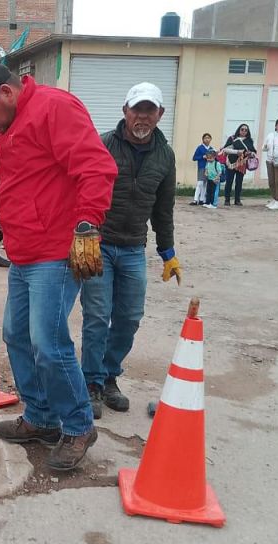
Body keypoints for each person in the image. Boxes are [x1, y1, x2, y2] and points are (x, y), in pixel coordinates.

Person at [0, 61, 116, 471]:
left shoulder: (54, 109)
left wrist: (88, 223)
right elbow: (24, 177)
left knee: (48, 342)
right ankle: (42, 417)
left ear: (6, 94)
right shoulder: (7, 129)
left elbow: (96, 167)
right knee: (16, 335)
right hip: (23, 252)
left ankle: (79, 424)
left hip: (55, 251)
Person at [80, 82, 182, 418]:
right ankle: (91, 383)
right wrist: (81, 231)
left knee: (129, 318)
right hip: (100, 243)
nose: (142, 116)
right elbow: (82, 187)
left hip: (134, 249)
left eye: (149, 110)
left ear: (160, 115)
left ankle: (109, 376)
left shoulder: (165, 156)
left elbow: (163, 208)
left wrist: (167, 252)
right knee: (97, 315)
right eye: (137, 109)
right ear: (125, 111)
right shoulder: (104, 145)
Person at [222, 123, 256, 206]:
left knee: (239, 182)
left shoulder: (249, 140)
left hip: (242, 163)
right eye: (242, 129)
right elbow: (225, 149)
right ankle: (227, 199)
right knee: (229, 181)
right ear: (239, 130)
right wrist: (237, 152)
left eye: (246, 130)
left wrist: (250, 153)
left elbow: (254, 152)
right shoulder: (232, 138)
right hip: (231, 163)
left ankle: (237, 200)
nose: (244, 131)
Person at [191, 133, 213, 205]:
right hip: (202, 167)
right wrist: (202, 157)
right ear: (203, 139)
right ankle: (195, 199)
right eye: (205, 138)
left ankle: (202, 199)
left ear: (210, 139)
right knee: (200, 183)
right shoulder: (200, 148)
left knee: (205, 184)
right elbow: (194, 158)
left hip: (209, 168)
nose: (207, 139)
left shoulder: (211, 149)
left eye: (208, 138)